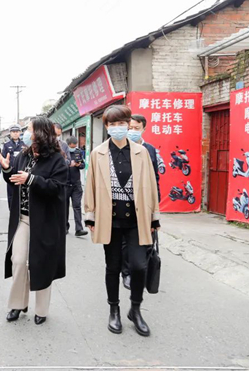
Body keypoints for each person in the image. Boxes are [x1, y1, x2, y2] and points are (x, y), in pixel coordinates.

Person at [84, 104, 160, 337]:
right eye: (113, 124)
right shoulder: (98, 153)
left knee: (139, 266)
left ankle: (135, 309)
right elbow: (91, 186)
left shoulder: (141, 152)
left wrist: (154, 218)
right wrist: (90, 216)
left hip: (137, 219)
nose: (117, 127)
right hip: (110, 220)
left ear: (129, 125)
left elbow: (151, 186)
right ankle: (114, 309)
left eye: (122, 123)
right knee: (113, 266)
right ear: (107, 126)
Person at [0, 116, 67, 325]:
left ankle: (41, 310)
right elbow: (14, 179)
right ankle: (18, 304)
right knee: (18, 260)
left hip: (45, 220)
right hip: (23, 218)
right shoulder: (24, 155)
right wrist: (7, 169)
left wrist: (32, 179)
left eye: (29, 130)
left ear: (41, 133)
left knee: (42, 263)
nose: (26, 134)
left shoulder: (57, 159)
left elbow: (57, 187)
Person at [121, 114, 161, 290]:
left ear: (144, 129)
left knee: (146, 238)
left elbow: (155, 178)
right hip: (125, 201)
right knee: (125, 240)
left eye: (136, 128)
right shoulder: (120, 148)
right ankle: (127, 273)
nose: (132, 131)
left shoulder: (150, 150)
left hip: (145, 203)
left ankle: (141, 270)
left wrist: (156, 203)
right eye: (129, 128)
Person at [66, 136, 88, 237]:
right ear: (68, 145)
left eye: (75, 146)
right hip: (65, 184)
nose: (73, 148)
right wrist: (68, 164)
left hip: (76, 184)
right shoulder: (63, 153)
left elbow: (83, 165)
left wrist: (79, 165)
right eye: (72, 146)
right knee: (64, 207)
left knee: (77, 206)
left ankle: (79, 229)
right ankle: (65, 227)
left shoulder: (78, 152)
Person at [1, 125, 26, 211]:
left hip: (22, 173)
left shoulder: (24, 144)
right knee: (11, 195)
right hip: (11, 173)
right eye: (13, 132)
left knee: (23, 194)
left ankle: (22, 211)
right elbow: (3, 159)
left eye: (17, 132)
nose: (15, 133)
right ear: (10, 133)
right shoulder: (6, 145)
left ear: (20, 132)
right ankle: (12, 211)